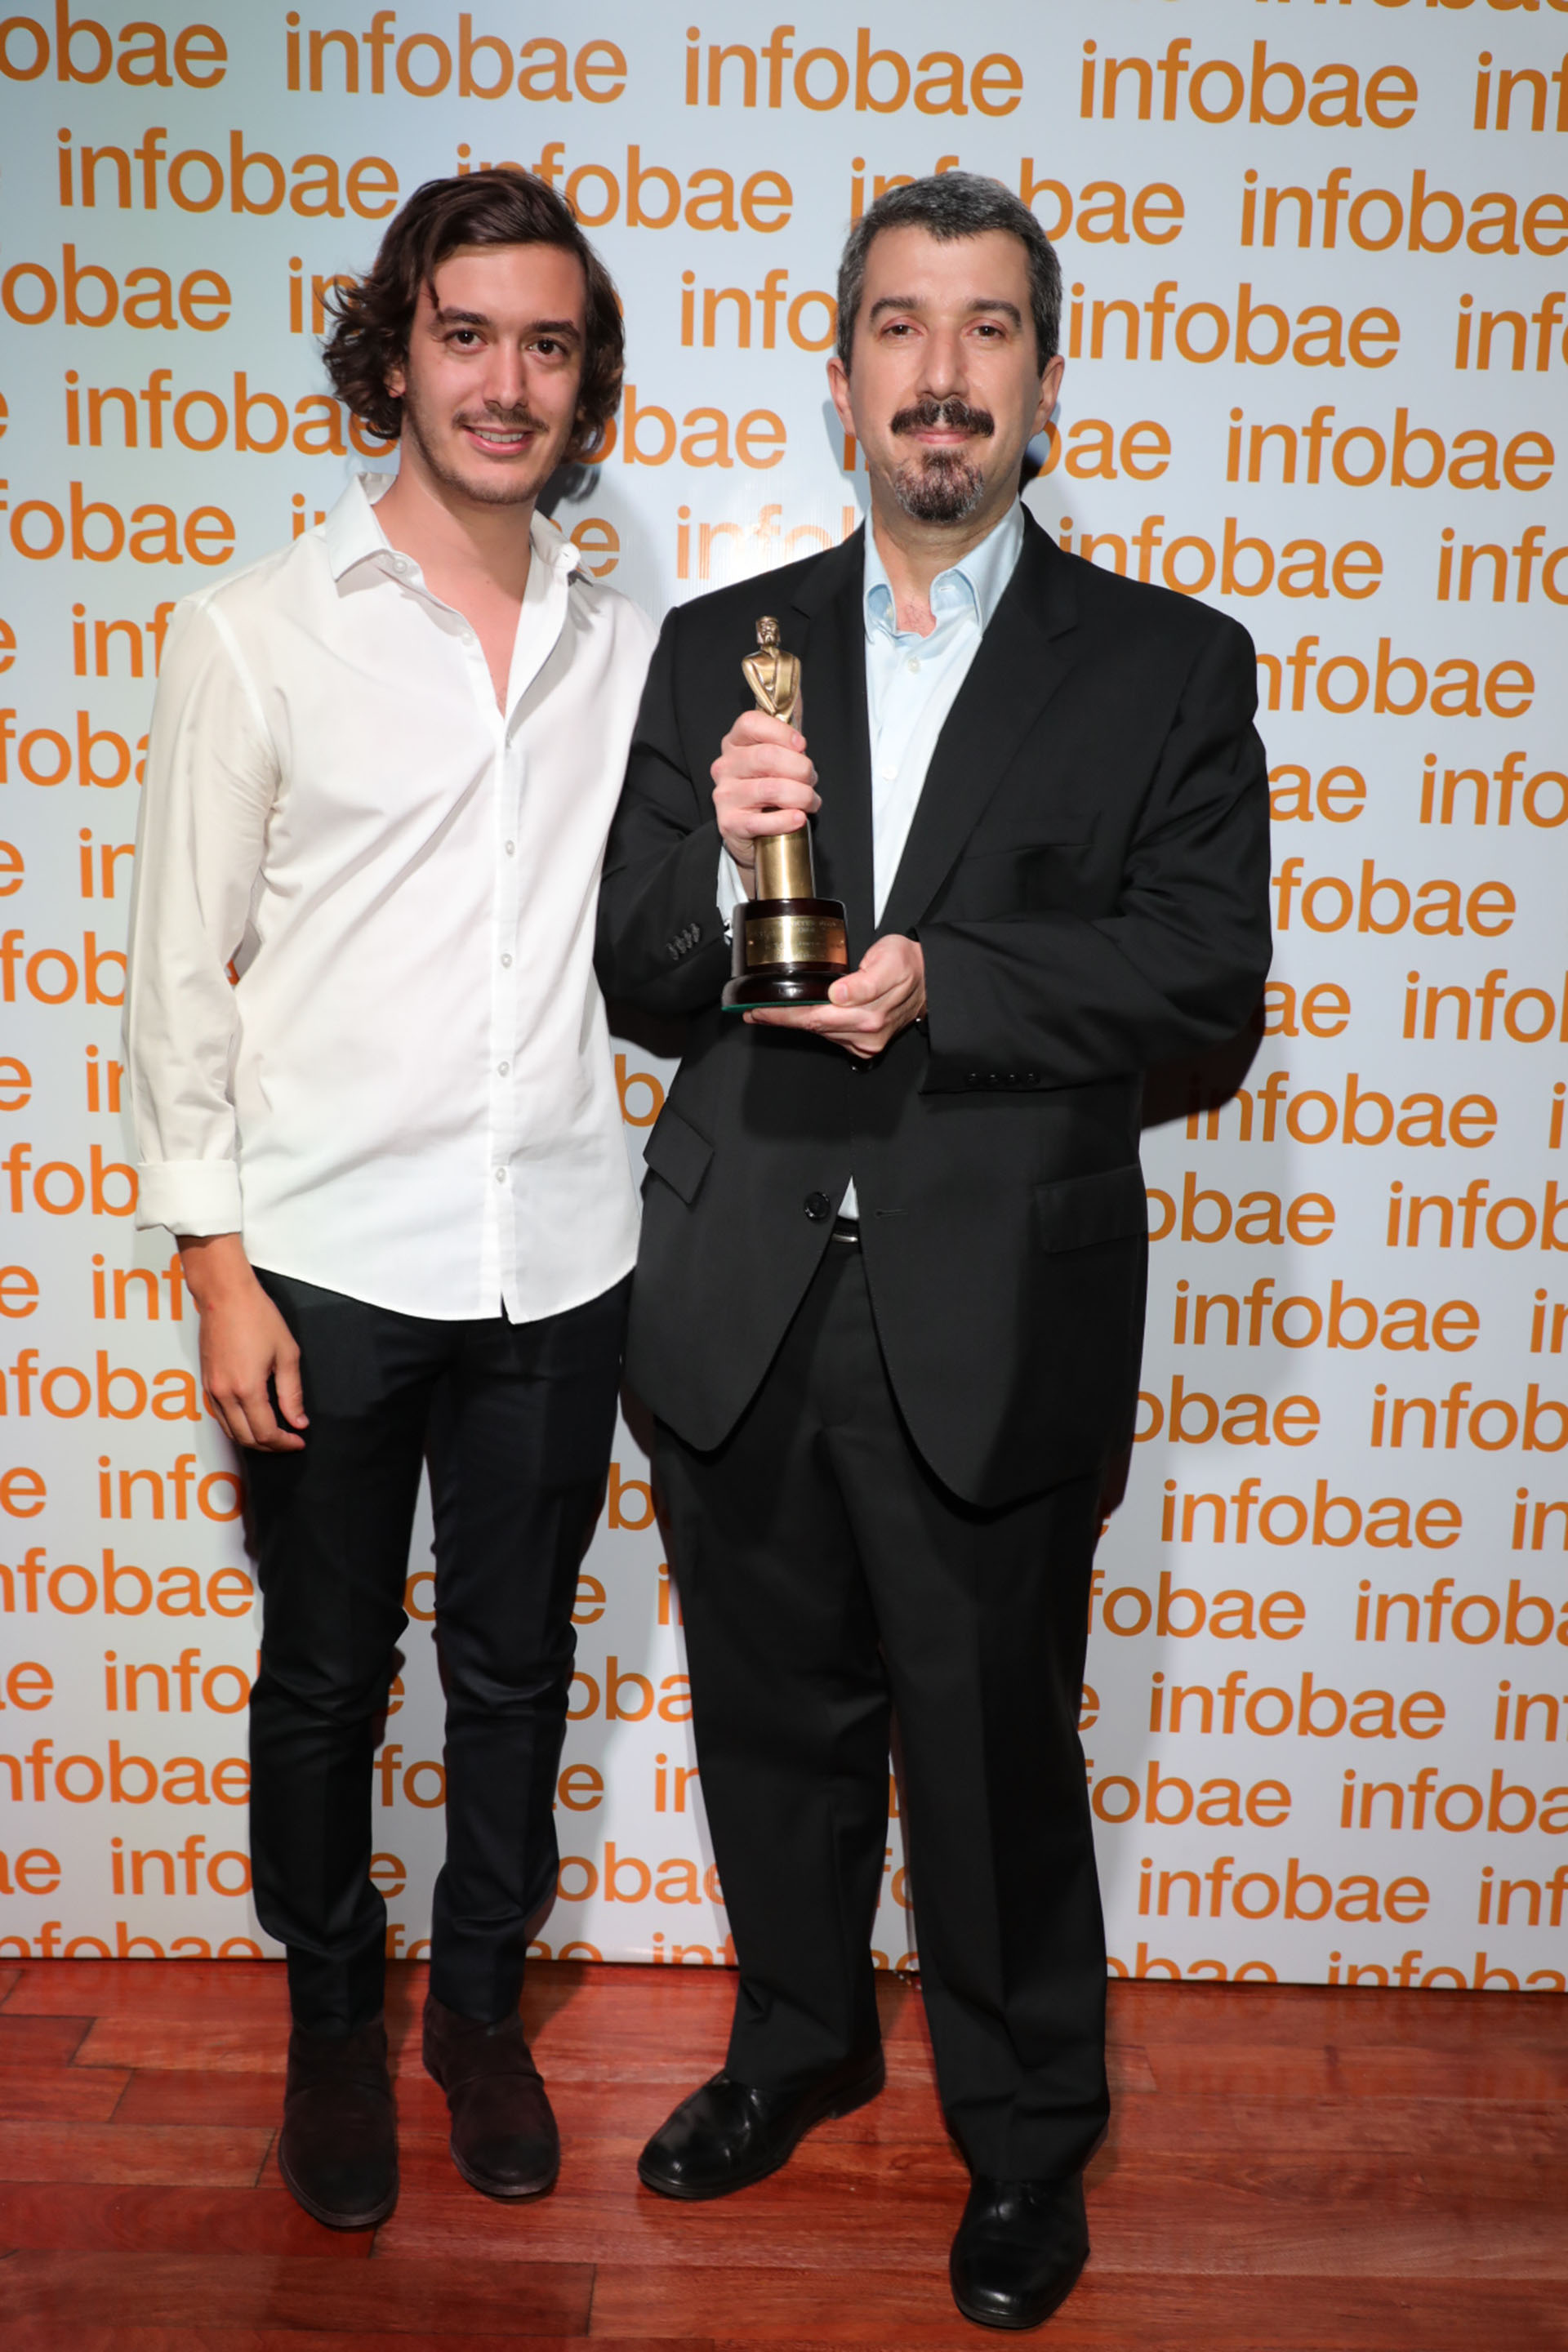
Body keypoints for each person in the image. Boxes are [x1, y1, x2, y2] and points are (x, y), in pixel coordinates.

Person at [596, 173, 1271, 2331]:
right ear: (844, 376)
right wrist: (712, 861)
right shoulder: (719, 651)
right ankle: (797, 2044)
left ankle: (1027, 2139)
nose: (944, 374)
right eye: (902, 326)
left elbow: (1205, 978)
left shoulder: (1167, 663)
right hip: (742, 1295)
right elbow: (637, 971)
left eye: (989, 330)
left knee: (991, 1760)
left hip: (994, 1309)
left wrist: (943, 983)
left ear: (1045, 381)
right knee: (769, 1729)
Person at [124, 170, 655, 2230]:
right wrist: (215, 1266)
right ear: (397, 354)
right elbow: (179, 975)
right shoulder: (257, 631)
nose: (505, 383)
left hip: (565, 1257)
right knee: (328, 1680)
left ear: (585, 378)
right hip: (326, 1263)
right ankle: (334, 2023)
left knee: (516, 1669)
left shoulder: (636, 641)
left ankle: (480, 2016)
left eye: (547, 344)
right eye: (466, 336)